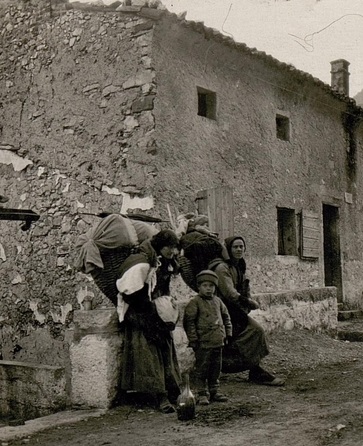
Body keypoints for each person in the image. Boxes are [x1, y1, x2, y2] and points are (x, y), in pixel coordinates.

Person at [116, 229, 182, 413]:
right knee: (150, 348)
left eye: (174, 248)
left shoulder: (164, 262)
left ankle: (172, 390)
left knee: (166, 345)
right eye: (169, 247)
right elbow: (131, 293)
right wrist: (150, 312)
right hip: (138, 311)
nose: (173, 251)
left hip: (154, 309)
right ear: (160, 246)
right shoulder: (142, 263)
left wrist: (167, 306)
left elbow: (162, 288)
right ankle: (158, 396)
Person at [209, 236, 285, 386]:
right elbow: (229, 293)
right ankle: (219, 370)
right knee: (246, 334)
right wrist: (248, 302)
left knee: (256, 331)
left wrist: (247, 299)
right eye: (235, 247)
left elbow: (244, 286)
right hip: (221, 309)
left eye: (241, 247)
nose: (238, 250)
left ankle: (255, 370)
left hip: (235, 309)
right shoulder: (222, 268)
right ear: (228, 250)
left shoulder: (239, 266)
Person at [183, 270, 233, 405]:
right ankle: (201, 393)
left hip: (218, 341)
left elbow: (226, 318)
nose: (208, 289)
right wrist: (193, 339)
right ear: (199, 287)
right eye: (205, 285)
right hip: (203, 343)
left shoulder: (218, 301)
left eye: (211, 286)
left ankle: (214, 390)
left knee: (216, 368)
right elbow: (189, 322)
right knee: (202, 368)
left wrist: (227, 334)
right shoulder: (195, 302)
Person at [179, 215, 224, 291]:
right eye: (205, 225)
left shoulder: (191, 236)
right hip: (203, 266)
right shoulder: (196, 236)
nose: (207, 227)